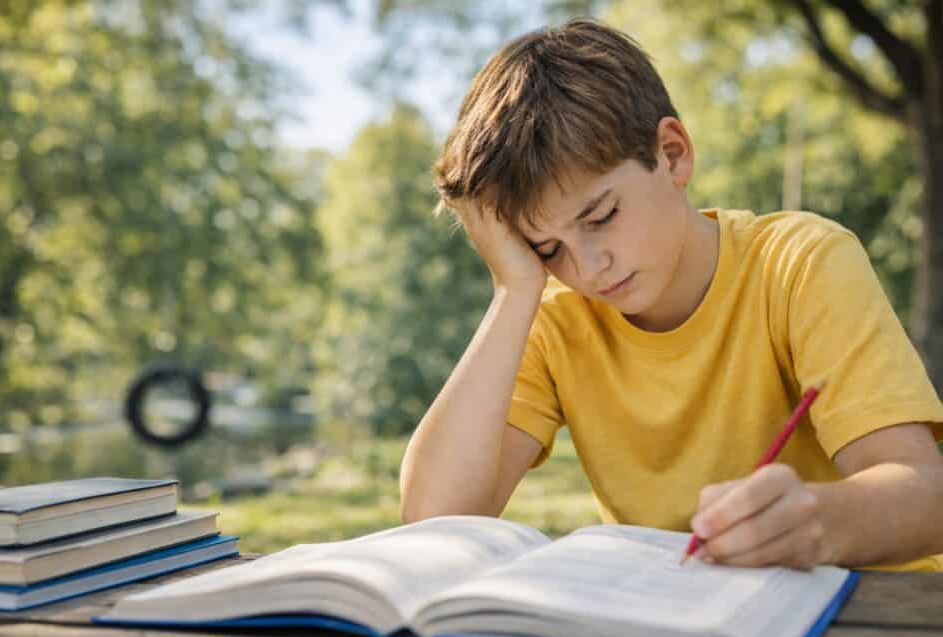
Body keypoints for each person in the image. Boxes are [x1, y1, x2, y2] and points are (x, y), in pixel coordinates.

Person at [399, 18, 943, 571]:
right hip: (689, 627)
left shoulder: (798, 263)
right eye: (545, 248)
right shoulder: (554, 315)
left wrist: (816, 522)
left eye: (602, 216)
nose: (588, 267)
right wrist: (515, 289)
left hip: (873, 619)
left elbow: (926, 496)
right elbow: (434, 521)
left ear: (673, 152)